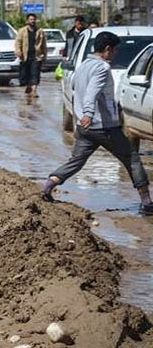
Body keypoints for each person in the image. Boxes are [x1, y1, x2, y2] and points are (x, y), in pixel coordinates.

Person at [42, 32, 153, 215]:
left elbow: (75, 88)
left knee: (76, 161)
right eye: (115, 50)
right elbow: (92, 91)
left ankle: (48, 185)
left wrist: (83, 116)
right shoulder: (102, 68)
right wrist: (88, 113)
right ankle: (147, 202)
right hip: (104, 127)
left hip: (85, 129)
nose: (116, 53)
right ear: (108, 49)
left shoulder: (83, 66)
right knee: (132, 159)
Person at [14, 13, 47, 96]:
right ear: (27, 21)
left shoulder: (40, 31)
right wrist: (18, 51)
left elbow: (44, 44)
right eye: (31, 19)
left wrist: (44, 55)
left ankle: (34, 90)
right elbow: (18, 42)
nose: (32, 21)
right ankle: (29, 86)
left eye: (34, 19)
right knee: (26, 73)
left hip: (36, 56)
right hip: (25, 56)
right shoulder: (22, 31)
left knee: (35, 73)